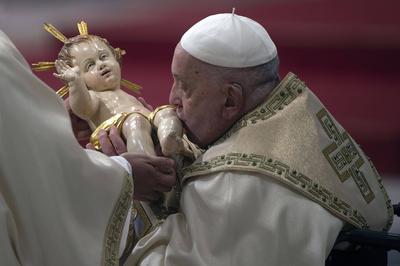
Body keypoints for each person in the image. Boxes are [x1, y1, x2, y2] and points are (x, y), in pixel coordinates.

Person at [93, 13, 393, 265]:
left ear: (230, 101)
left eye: (185, 87)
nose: (172, 99)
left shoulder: (233, 186)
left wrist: (130, 191)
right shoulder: (302, 115)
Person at [0, 30, 177, 265]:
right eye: (90, 65)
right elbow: (28, 163)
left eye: (105, 57)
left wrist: (54, 127)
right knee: (135, 124)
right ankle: (153, 164)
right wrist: (122, 173)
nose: (101, 66)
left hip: (139, 119)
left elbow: (21, 144)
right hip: (126, 128)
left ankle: (173, 140)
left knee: (164, 114)